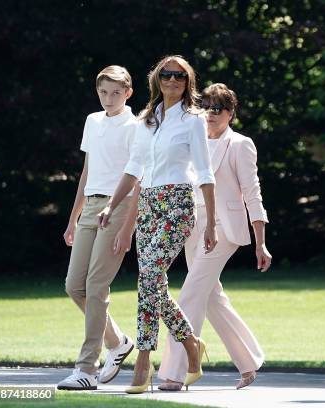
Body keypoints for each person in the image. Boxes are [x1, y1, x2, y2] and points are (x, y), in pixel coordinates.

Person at [98, 55, 217, 394]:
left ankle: (143, 360)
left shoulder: (194, 120)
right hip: (148, 205)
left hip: (178, 204)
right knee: (152, 284)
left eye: (180, 76)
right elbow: (134, 167)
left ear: (188, 81)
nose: (173, 80)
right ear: (157, 80)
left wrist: (212, 224)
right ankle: (191, 344)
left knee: (148, 276)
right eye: (167, 75)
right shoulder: (145, 120)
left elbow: (205, 173)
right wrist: (112, 205)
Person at [157, 83, 271, 391]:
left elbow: (252, 193)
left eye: (218, 108)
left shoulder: (241, 144)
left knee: (191, 294)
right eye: (205, 107)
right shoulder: (194, 140)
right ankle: (248, 361)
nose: (211, 114)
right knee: (211, 298)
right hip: (193, 227)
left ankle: (174, 372)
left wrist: (260, 241)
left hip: (224, 230)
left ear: (231, 113)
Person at [57, 65, 137, 391]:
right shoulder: (93, 121)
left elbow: (137, 179)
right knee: (74, 286)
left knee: (96, 286)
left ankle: (86, 368)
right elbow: (88, 172)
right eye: (103, 92)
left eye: (116, 92)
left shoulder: (136, 126)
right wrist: (72, 218)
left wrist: (126, 228)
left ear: (128, 93)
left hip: (118, 208)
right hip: (90, 207)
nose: (109, 98)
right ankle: (117, 342)